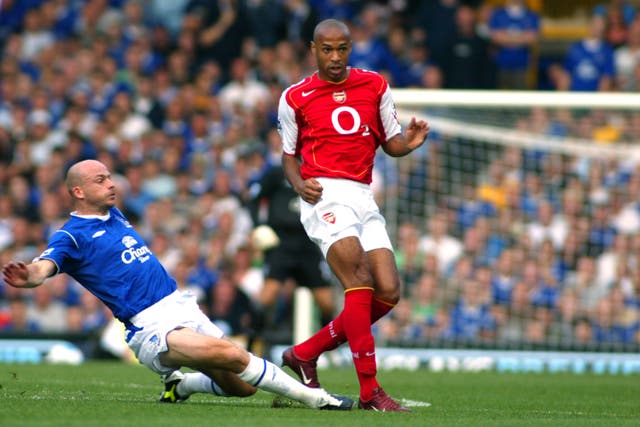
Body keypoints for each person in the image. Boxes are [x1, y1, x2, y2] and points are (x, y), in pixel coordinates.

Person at [1, 159, 353, 411]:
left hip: (182, 306)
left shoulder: (115, 214)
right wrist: (29, 275)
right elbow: (44, 267)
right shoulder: (70, 236)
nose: (112, 184)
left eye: (110, 177)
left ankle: (181, 385)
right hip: (151, 327)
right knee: (233, 354)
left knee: (243, 388)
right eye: (101, 180)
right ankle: (317, 398)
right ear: (77, 191)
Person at [277, 19, 429, 412]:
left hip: (363, 194)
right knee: (358, 279)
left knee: (388, 291)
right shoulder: (296, 96)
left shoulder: (374, 85)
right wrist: (298, 185)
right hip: (324, 194)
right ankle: (370, 391)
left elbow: (390, 143)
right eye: (326, 49)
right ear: (313, 49)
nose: (334, 57)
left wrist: (407, 144)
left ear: (350, 47)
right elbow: (288, 156)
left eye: (341, 49)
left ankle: (305, 353)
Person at [247, 144, 335, 336]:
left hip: (308, 245)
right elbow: (253, 199)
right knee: (267, 297)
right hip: (281, 244)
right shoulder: (277, 173)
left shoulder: (320, 176)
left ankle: (328, 349)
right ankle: (253, 346)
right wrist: (259, 226)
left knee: (327, 303)